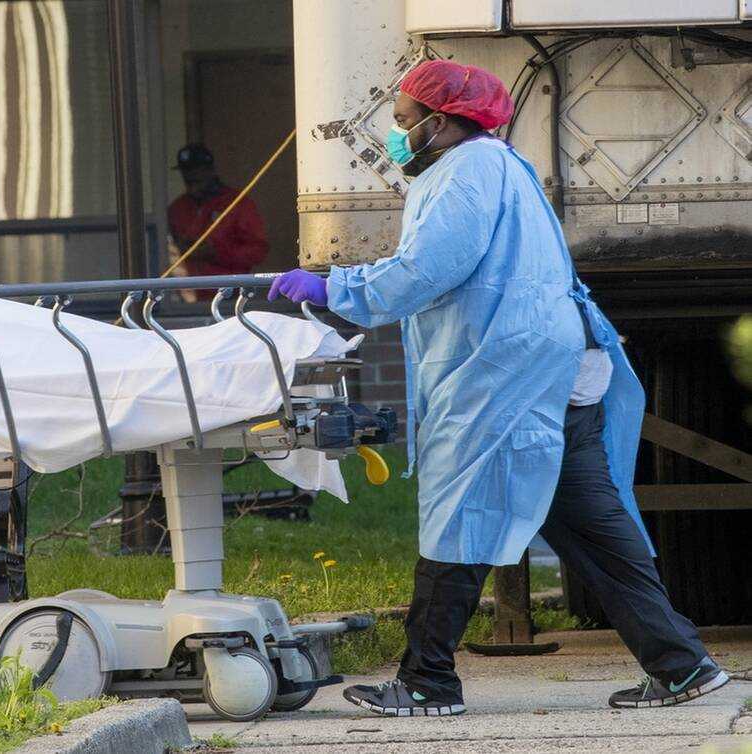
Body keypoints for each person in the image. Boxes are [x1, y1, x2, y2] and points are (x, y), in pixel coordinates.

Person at [268, 60, 728, 717]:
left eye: (403, 121)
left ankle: (427, 683)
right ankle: (682, 666)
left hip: (508, 377)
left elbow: (429, 268)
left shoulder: (467, 171)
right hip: (553, 370)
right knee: (594, 530)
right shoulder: (502, 165)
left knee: (461, 517)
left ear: (439, 121)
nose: (396, 134)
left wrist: (335, 287)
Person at [167, 143, 268, 299]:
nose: (190, 177)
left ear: (210, 170)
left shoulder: (237, 203)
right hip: (187, 296)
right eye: (186, 172)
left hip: (230, 295)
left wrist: (217, 253)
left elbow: (258, 251)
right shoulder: (177, 208)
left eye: (196, 171)